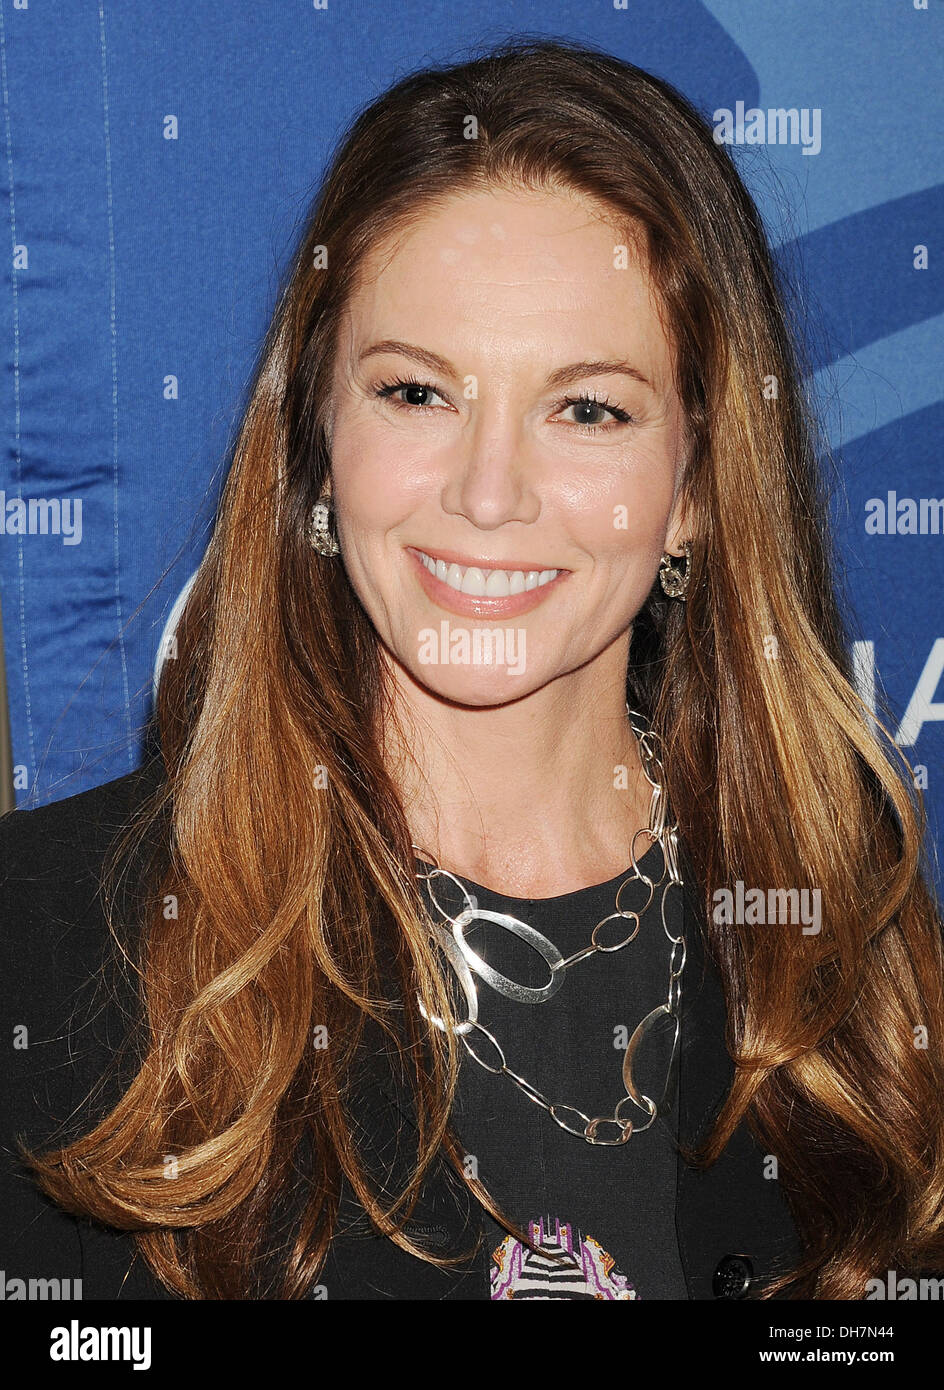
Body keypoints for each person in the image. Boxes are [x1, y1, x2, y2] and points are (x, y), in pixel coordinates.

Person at [2, 35, 943, 1303]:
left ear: (696, 488)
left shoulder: (844, 940)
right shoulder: (49, 940)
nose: (487, 492)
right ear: (316, 439)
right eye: (416, 393)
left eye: (587, 409)